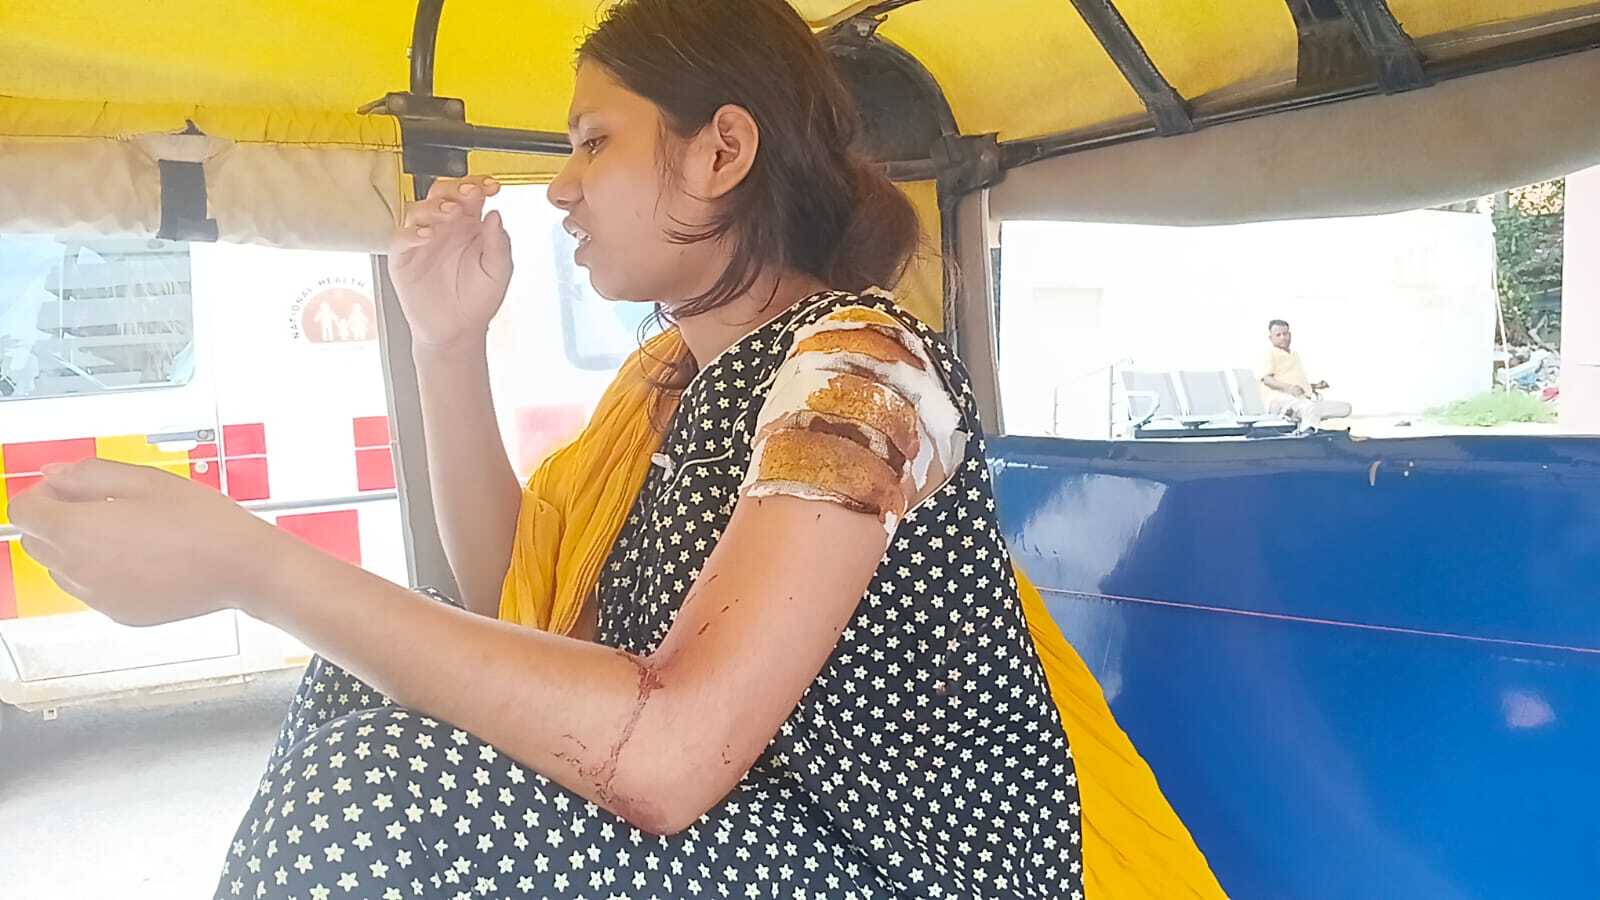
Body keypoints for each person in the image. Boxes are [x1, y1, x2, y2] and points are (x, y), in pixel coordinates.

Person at [13, 3, 1232, 897]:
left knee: (375, 793)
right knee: (358, 686)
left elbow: (667, 752)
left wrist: (257, 568)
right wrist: (447, 346)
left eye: (593, 141)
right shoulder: (669, 390)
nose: (561, 188)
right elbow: (520, 601)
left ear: (721, 153)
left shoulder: (861, 370)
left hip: (897, 866)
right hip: (760, 835)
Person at [1260, 318, 1351, 432]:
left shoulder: (1294, 354)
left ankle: (1305, 423)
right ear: (1271, 338)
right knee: (1309, 407)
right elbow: (1267, 379)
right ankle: (1307, 433)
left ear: (1290, 335)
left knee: (1345, 408)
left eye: (1285, 334)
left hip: (1299, 400)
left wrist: (1314, 386)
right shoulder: (1270, 353)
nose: (1282, 337)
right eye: (1278, 335)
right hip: (1278, 400)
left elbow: (1296, 383)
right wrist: (1289, 388)